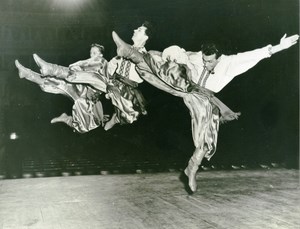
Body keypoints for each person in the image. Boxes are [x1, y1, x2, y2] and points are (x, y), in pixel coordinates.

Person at [112, 31, 299, 193]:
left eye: (210, 62)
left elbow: (255, 55)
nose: (206, 64)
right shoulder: (198, 56)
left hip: (205, 98)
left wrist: (279, 47)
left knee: (207, 139)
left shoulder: (230, 63)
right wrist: (164, 55)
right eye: (204, 60)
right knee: (166, 70)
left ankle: (191, 168)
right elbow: (178, 55)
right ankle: (129, 52)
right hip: (186, 86)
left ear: (219, 57)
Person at [15, 44, 109, 133]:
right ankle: (28, 74)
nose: (92, 55)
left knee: (85, 126)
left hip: (89, 95)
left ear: (101, 54)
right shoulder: (89, 64)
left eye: (95, 53)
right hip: (83, 91)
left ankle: (51, 69)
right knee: (58, 83)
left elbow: (96, 73)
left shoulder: (102, 63)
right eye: (91, 53)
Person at [104, 21, 153, 130]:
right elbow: (111, 65)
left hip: (127, 89)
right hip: (113, 82)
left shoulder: (147, 57)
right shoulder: (123, 49)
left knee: (128, 115)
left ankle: (115, 119)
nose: (134, 30)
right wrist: (111, 68)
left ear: (146, 37)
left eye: (139, 30)